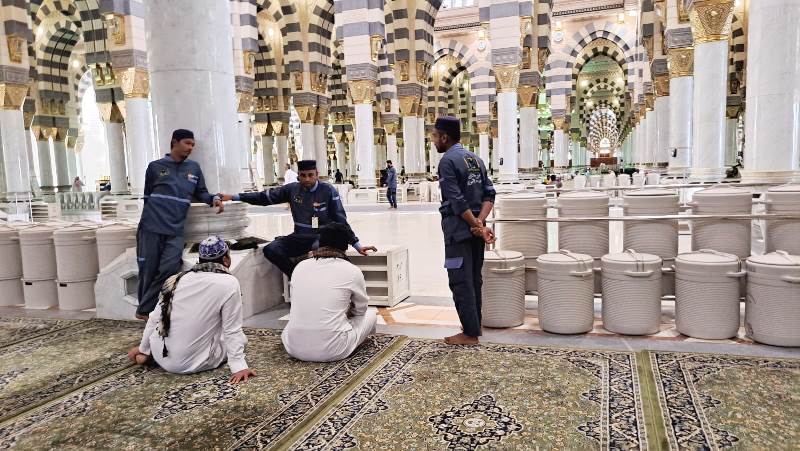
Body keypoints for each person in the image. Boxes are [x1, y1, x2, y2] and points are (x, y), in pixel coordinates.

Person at [127, 236, 255, 384]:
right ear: (226, 260)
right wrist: (239, 367)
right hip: (193, 363)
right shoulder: (229, 283)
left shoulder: (176, 279)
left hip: (161, 354)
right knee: (241, 339)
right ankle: (167, 354)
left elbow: (155, 317)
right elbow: (232, 329)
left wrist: (144, 348)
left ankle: (148, 355)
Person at [219, 160, 376, 277]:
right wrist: (233, 196)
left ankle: (316, 284)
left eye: (310, 175)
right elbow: (264, 197)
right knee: (271, 249)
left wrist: (356, 244)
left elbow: (340, 220)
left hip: (322, 238)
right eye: (303, 175)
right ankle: (296, 277)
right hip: (299, 236)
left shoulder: (328, 190)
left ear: (317, 174)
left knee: (317, 250)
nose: (307, 179)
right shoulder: (292, 189)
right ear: (298, 176)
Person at [136, 129, 223, 319]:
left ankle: (145, 308)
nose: (191, 148)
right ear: (174, 142)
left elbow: (201, 192)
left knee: (169, 268)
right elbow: (147, 196)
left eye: (193, 145)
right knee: (147, 268)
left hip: (175, 229)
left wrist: (213, 199)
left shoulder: (194, 168)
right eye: (187, 143)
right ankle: (147, 313)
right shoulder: (155, 167)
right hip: (151, 227)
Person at [432, 116, 496, 346]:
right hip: (474, 231)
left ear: (444, 137)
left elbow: (456, 200)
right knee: (473, 278)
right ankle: (473, 324)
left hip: (458, 231)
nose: (433, 141)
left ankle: (469, 334)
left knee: (460, 280)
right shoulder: (475, 159)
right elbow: (490, 194)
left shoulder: (447, 161)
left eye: (434, 136)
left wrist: (474, 224)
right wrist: (480, 223)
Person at [282, 223, 377, 362]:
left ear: (320, 242)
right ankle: (363, 342)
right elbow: (360, 310)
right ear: (345, 246)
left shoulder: (300, 266)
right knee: (371, 314)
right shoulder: (351, 270)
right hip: (334, 350)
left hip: (292, 347)